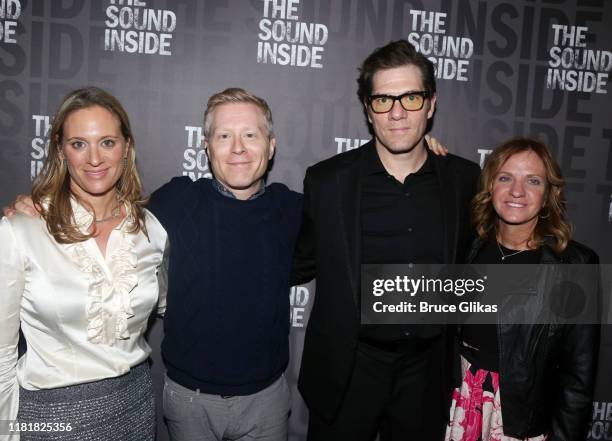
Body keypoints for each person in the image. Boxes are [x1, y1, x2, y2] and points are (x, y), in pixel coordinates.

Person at [292, 40, 481, 441]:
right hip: (349, 369)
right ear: (367, 108)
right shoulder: (327, 182)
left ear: (431, 104)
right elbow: (296, 259)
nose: (397, 113)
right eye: (383, 100)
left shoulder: (464, 180)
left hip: (428, 374)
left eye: (411, 98)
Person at [0, 87, 168, 440]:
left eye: (107, 142)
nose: (94, 158)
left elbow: (172, 302)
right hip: (51, 419)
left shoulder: (151, 230)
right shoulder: (21, 229)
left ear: (126, 147)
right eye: (79, 144)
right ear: (61, 149)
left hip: (134, 408)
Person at [147, 88, 302, 441]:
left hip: (268, 402)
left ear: (271, 144)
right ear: (206, 146)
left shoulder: (293, 210)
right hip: (189, 401)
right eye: (224, 136)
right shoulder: (178, 199)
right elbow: (107, 212)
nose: (238, 148)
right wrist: (39, 205)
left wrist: (420, 152)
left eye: (250, 135)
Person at [445, 138, 600, 441]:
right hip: (457, 405)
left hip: (519, 420)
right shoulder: (467, 247)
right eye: (505, 178)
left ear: (548, 195)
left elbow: (578, 378)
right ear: (490, 187)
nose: (517, 191)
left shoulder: (575, 265)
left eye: (533, 181)